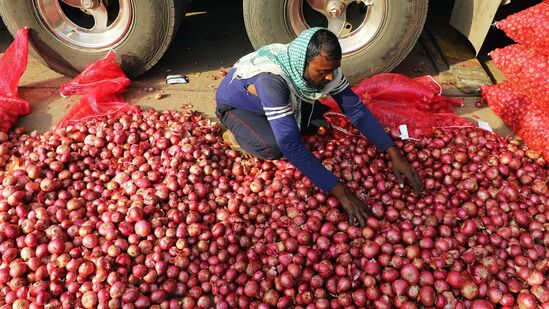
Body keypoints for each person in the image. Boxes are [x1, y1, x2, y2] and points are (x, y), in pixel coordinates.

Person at [215, 27, 422, 226]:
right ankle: (235, 133)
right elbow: (291, 146)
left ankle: (282, 119)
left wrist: (393, 152)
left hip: (283, 100)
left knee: (324, 121)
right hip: (239, 108)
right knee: (274, 146)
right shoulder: (272, 80)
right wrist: (341, 192)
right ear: (302, 63)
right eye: (323, 72)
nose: (330, 77)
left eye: (333, 70)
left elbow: (356, 110)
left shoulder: (325, 69)